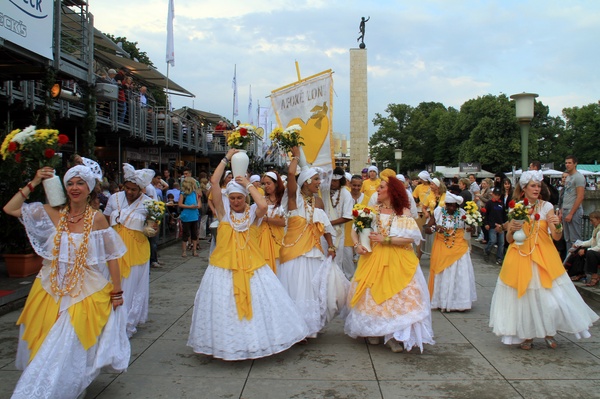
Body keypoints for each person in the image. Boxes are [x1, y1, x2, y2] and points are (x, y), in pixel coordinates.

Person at [5, 166, 129, 399]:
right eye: (70, 183)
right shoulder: (52, 212)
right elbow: (10, 208)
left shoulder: (97, 218)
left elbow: (112, 256)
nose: (74, 188)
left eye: (80, 183)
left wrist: (117, 291)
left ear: (89, 189)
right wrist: (33, 182)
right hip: (48, 288)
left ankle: (62, 387)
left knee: (69, 342)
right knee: (45, 342)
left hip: (85, 289)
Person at [187, 149, 308, 360]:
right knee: (225, 306)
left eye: (239, 198)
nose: (235, 201)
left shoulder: (253, 215)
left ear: (245, 199)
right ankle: (229, 345)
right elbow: (215, 183)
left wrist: (248, 185)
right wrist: (225, 159)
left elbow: (261, 204)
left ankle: (255, 343)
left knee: (260, 304)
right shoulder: (224, 215)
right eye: (232, 198)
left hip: (253, 266)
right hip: (224, 267)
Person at [489, 170, 598, 350]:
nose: (537, 189)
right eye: (533, 186)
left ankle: (548, 332)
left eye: (539, 186)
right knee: (524, 298)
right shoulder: (515, 206)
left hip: (544, 254)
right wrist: (510, 229)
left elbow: (556, 237)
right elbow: (509, 240)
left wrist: (557, 224)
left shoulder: (547, 206)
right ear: (524, 188)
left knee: (550, 298)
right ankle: (527, 335)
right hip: (521, 254)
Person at [346, 169, 434, 353]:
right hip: (374, 257)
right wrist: (357, 245)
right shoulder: (371, 211)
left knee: (397, 294)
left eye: (382, 187)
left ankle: (393, 334)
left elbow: (411, 238)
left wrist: (386, 240)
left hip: (398, 258)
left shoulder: (403, 212)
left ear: (392, 191)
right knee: (372, 292)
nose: (378, 189)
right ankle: (375, 331)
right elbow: (355, 229)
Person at [277, 146, 336, 338]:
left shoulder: (317, 202)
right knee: (295, 291)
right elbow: (291, 174)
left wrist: (332, 246)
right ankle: (293, 329)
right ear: (306, 183)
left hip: (314, 253)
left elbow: (325, 225)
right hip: (294, 255)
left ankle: (308, 328)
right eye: (316, 180)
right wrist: (295, 156)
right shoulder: (294, 201)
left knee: (311, 291)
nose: (319, 183)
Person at [104, 163, 155, 337]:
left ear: (141, 189)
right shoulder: (114, 199)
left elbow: (153, 226)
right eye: (127, 188)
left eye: (134, 189)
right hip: (113, 247)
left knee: (131, 286)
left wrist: (151, 229)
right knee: (112, 283)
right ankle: (110, 319)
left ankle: (128, 322)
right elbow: (104, 221)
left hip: (136, 249)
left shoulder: (149, 203)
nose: (130, 192)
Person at [425, 192, 477, 312]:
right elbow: (426, 229)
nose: (452, 208)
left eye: (454, 206)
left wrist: (471, 229)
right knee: (442, 274)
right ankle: (441, 301)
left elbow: (472, 230)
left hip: (459, 248)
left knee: (459, 273)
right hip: (441, 247)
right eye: (449, 206)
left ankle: (459, 303)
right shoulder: (438, 213)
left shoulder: (463, 214)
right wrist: (435, 228)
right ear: (445, 204)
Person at [324, 167, 354, 272]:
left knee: (336, 263)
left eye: (335, 181)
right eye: (331, 180)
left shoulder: (346, 194)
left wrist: (329, 223)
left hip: (337, 234)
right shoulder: (324, 191)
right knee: (323, 261)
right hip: (322, 232)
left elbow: (347, 216)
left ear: (341, 181)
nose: (333, 183)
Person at [256, 171, 286, 273]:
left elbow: (284, 222)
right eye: (264, 184)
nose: (266, 186)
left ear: (276, 183)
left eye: (269, 183)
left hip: (277, 238)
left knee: (278, 266)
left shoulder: (283, 200)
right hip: (262, 237)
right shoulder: (262, 200)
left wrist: (266, 219)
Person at [560, 155, 585, 249]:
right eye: (566, 163)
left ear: (575, 164)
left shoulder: (578, 177)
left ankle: (576, 261)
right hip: (566, 209)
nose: (567, 165)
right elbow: (566, 195)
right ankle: (568, 260)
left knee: (575, 238)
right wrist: (562, 210)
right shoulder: (569, 177)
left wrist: (571, 213)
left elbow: (580, 196)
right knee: (567, 238)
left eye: (570, 163)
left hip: (573, 211)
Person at [483, 188, 507, 265]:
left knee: (501, 243)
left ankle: (499, 258)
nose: (497, 197)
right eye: (495, 195)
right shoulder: (489, 203)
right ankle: (487, 251)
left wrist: (503, 224)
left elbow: (504, 215)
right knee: (492, 240)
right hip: (492, 225)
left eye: (498, 195)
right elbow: (486, 214)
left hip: (500, 225)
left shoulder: (502, 203)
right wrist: (486, 223)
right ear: (493, 194)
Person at [577, 210, 600, 287]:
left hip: (598, 252)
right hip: (596, 251)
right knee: (579, 249)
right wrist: (579, 244)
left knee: (590, 253)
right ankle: (579, 272)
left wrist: (586, 250)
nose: (591, 222)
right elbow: (591, 241)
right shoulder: (596, 229)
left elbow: (599, 247)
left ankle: (594, 276)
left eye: (592, 220)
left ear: (598, 219)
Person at [179, 177, 200, 257]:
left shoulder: (195, 193)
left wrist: (196, 206)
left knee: (194, 233)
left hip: (194, 215)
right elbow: (180, 204)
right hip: (186, 216)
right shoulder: (183, 193)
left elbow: (198, 202)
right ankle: (184, 251)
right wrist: (189, 206)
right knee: (186, 233)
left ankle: (194, 250)